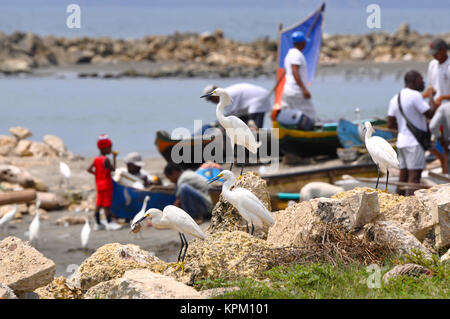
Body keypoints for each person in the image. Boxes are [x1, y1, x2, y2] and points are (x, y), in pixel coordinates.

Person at [387, 70, 436, 195]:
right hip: (414, 143)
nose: (423, 83)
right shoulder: (414, 95)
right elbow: (430, 113)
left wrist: (403, 129)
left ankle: (397, 204)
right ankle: (411, 208)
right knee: (414, 178)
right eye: (421, 80)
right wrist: (431, 96)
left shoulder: (395, 98)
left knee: (402, 178)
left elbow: (390, 124)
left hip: (401, 143)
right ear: (415, 80)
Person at [278, 30, 316, 130]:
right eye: (304, 42)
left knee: (290, 116)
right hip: (296, 91)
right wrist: (304, 89)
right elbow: (295, 72)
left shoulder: (289, 54)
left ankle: (292, 132)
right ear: (302, 43)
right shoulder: (296, 55)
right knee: (310, 115)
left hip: (287, 91)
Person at [87, 134, 121, 230]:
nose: (110, 149)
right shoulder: (106, 159)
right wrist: (114, 157)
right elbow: (113, 169)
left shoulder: (96, 159)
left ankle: (97, 223)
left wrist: (97, 174)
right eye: (110, 147)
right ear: (104, 148)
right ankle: (109, 222)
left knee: (99, 203)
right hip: (106, 184)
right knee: (106, 204)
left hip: (98, 183)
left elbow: (89, 169)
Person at [202, 83, 271, 128]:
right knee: (246, 122)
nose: (212, 102)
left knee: (254, 125)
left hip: (258, 98)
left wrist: (215, 124)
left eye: (211, 99)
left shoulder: (225, 97)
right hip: (257, 98)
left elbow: (231, 116)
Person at [426, 38, 450, 107]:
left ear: (443, 50)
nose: (434, 56)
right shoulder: (432, 64)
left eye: (436, 53)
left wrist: (442, 98)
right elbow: (430, 85)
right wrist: (431, 100)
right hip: (436, 107)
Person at [430, 102, 450, 174]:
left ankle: (445, 173)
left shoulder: (440, 116)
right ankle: (445, 173)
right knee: (444, 157)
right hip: (440, 138)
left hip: (439, 137)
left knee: (444, 157)